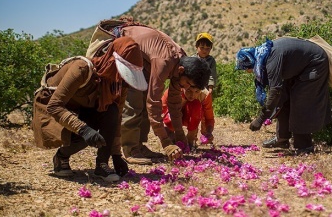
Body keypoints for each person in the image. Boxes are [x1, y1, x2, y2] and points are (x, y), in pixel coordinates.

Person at [47, 36, 146, 182]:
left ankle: (102, 164)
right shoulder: (81, 69)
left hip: (85, 113)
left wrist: (116, 155)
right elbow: (54, 106)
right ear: (113, 60)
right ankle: (61, 156)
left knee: (111, 110)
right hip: (61, 116)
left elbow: (116, 119)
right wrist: (83, 129)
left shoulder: (118, 84)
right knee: (87, 134)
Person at [119, 25, 211, 164]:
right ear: (181, 71)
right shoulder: (165, 62)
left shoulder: (182, 64)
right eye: (187, 83)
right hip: (127, 52)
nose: (186, 88)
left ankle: (139, 146)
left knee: (144, 98)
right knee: (136, 101)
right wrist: (166, 142)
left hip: (143, 61)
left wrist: (179, 135)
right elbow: (153, 102)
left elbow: (174, 103)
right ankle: (130, 149)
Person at [235, 37, 331, 155]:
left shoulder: (270, 61)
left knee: (299, 102)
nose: (248, 72)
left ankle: (304, 147)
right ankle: (282, 138)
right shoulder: (263, 55)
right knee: (283, 98)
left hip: (316, 63)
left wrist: (260, 119)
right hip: (302, 67)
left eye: (247, 68)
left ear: (252, 62)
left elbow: (275, 91)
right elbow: (278, 94)